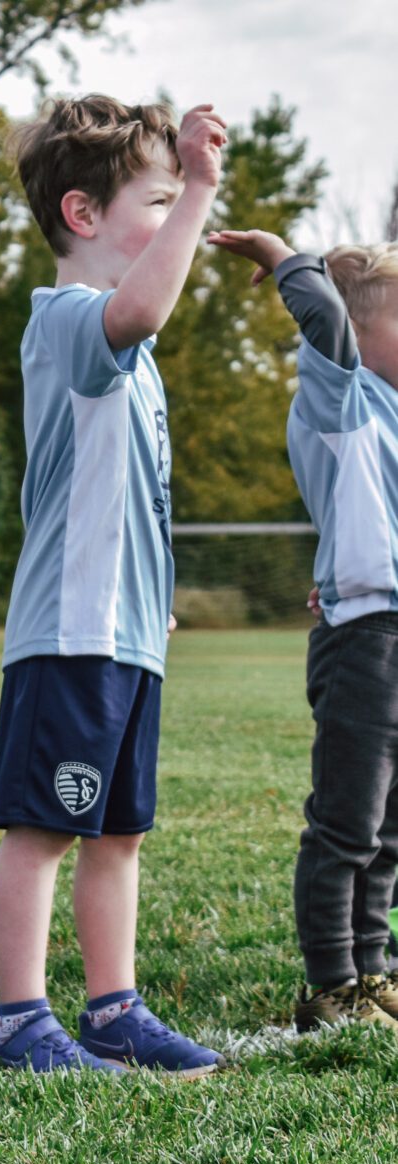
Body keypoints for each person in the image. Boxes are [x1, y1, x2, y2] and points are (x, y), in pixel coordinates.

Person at [0, 94, 229, 1075]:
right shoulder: (71, 321)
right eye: (156, 203)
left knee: (118, 832)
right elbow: (143, 306)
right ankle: (18, 1020)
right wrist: (200, 186)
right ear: (81, 215)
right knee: (43, 828)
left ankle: (113, 1007)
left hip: (126, 634)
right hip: (70, 629)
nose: (177, 220)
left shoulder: (136, 355)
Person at [210, 229, 398, 1032]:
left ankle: (373, 972)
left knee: (390, 831)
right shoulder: (340, 397)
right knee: (347, 826)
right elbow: (321, 315)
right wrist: (287, 258)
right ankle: (331, 983)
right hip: (367, 640)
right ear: (357, 330)